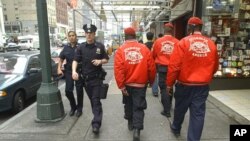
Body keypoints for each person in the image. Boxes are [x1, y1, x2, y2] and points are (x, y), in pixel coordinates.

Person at [166, 17, 219, 141]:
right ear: (200, 28)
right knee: (198, 114)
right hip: (202, 86)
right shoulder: (211, 44)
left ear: (189, 27)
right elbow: (215, 66)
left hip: (184, 84)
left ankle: (176, 128)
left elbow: (174, 66)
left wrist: (169, 84)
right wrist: (207, 76)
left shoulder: (183, 42)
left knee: (180, 108)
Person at [114, 27, 156, 141]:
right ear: (135, 36)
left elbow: (118, 70)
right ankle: (137, 130)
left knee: (128, 103)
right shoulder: (144, 49)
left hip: (127, 84)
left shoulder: (121, 50)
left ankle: (130, 122)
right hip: (140, 84)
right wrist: (151, 81)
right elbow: (152, 68)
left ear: (125, 36)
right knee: (139, 106)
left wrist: (121, 86)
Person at [72, 24, 109, 134]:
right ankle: (97, 116)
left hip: (97, 79)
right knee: (93, 101)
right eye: (87, 33)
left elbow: (106, 59)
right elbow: (75, 60)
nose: (89, 35)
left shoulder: (100, 46)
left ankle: (96, 124)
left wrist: (100, 61)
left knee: (96, 100)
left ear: (94, 34)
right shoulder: (81, 47)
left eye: (91, 33)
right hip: (86, 81)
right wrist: (74, 71)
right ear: (85, 34)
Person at [152, 23, 179, 118]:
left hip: (162, 68)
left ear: (164, 30)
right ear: (172, 31)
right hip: (174, 68)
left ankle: (166, 110)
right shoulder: (177, 42)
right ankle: (169, 103)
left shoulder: (158, 42)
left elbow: (153, 55)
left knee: (163, 88)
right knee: (170, 86)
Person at [57, 31, 84, 117]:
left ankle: (79, 109)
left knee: (79, 91)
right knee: (68, 91)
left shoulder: (80, 47)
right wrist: (59, 68)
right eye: (70, 36)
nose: (71, 37)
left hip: (79, 71)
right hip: (68, 71)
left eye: (73, 35)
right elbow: (61, 59)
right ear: (68, 37)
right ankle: (73, 107)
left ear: (76, 37)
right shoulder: (66, 48)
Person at [144, 32, 158, 97]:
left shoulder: (144, 45)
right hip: (154, 63)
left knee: (145, 76)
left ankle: (144, 89)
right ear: (153, 37)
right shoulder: (155, 44)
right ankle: (155, 91)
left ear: (146, 37)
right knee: (154, 76)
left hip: (146, 63)